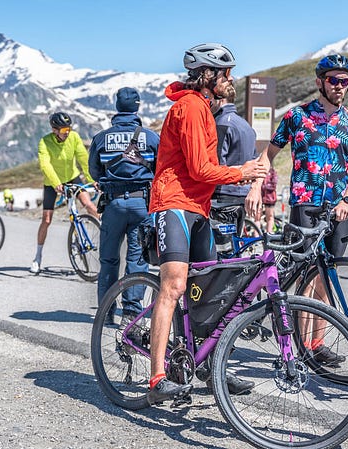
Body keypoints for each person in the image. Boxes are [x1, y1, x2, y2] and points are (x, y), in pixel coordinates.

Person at [146, 43, 267, 404]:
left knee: (210, 291)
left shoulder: (204, 108)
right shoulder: (189, 107)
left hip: (197, 207)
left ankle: (210, 366)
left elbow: (201, 173)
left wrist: (235, 176)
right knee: (174, 287)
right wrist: (241, 172)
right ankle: (156, 378)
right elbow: (200, 169)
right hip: (174, 203)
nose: (231, 78)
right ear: (208, 76)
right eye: (226, 72)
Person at [246, 54, 348, 365]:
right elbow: (268, 154)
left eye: (344, 81)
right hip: (305, 204)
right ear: (320, 83)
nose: (340, 86)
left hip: (337, 209)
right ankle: (299, 347)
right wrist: (257, 186)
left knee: (327, 278)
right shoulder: (297, 117)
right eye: (333, 80)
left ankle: (317, 344)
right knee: (305, 277)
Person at [88, 87, 159, 328]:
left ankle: (106, 310)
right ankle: (132, 312)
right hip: (142, 203)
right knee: (137, 259)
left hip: (113, 204)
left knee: (108, 259)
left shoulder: (101, 138)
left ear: (117, 107)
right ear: (137, 107)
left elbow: (94, 172)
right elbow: (160, 168)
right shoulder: (150, 138)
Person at [31, 112, 98, 274]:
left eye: (68, 128)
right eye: (63, 130)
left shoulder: (74, 137)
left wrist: (92, 179)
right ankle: (37, 257)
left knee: (88, 204)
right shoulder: (45, 142)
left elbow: (84, 159)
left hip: (72, 177)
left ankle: (106, 231)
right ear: (54, 130)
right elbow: (45, 165)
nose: (66, 132)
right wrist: (56, 184)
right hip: (52, 183)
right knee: (46, 220)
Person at [261, 166, 278, 232]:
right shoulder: (261, 172)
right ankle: (256, 235)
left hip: (270, 199)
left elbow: (273, 185)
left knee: (270, 217)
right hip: (261, 198)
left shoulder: (272, 172)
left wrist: (264, 186)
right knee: (257, 217)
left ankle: (269, 233)